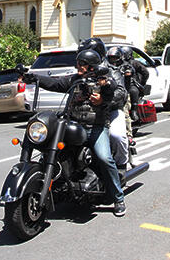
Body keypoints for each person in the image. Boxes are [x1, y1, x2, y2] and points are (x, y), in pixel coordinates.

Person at [23, 49, 127, 216]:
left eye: (82, 64)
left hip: (96, 126)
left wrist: (102, 98)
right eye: (77, 63)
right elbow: (55, 83)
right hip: (72, 124)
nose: (78, 66)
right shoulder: (75, 80)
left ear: (92, 66)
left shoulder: (103, 80)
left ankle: (118, 198)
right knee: (50, 146)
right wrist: (34, 78)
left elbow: (114, 92)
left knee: (104, 158)